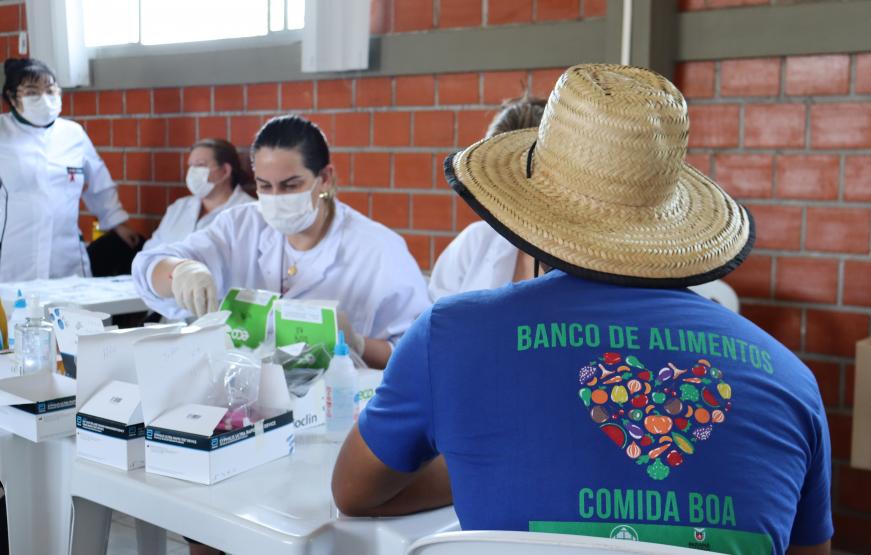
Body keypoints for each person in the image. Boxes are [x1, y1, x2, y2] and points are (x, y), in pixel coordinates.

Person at [332, 65, 832, 555]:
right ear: (676, 225)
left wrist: (479, 463)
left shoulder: (449, 336)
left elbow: (355, 493)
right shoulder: (791, 380)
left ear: (522, 220)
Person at [132, 115, 430, 370]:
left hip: (336, 407)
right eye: (265, 186)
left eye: (291, 185)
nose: (276, 197)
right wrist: (182, 270)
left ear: (325, 178)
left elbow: (418, 354)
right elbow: (150, 267)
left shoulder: (378, 250)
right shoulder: (240, 227)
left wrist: (358, 343)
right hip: (243, 398)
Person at [0, 58, 140, 281]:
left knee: (73, 312)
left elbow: (99, 183)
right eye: (32, 92)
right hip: (13, 257)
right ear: (11, 97)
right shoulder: (3, 133)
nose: (44, 98)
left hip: (66, 256)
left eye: (50, 90)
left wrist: (116, 222)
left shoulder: (73, 133)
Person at [428, 96, 545, 301]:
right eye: (500, 179)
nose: (512, 193)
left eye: (525, 176)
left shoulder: (592, 259)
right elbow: (434, 322)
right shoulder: (474, 243)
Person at [143, 138, 255, 251]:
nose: (192, 172)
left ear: (225, 171)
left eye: (200, 165)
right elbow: (149, 251)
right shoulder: (179, 207)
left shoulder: (250, 213)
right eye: (190, 166)